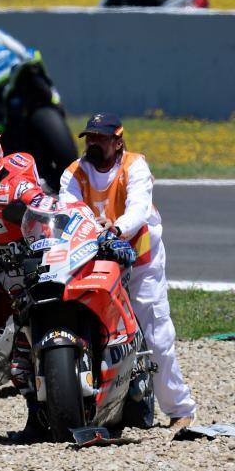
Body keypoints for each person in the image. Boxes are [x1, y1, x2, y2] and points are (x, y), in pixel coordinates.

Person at [0, 123, 136, 443]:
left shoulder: (17, 185)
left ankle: (46, 418)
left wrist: (100, 235)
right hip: (2, 271)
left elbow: (56, 208)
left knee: (25, 360)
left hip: (39, 267)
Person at [59, 112, 197, 429]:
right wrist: (96, 227)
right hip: (92, 260)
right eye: (89, 137)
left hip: (140, 261)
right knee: (93, 332)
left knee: (156, 335)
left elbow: (138, 209)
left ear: (118, 140)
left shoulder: (135, 166)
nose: (93, 143)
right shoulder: (73, 173)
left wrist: (116, 229)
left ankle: (180, 409)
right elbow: (68, 208)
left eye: (101, 138)